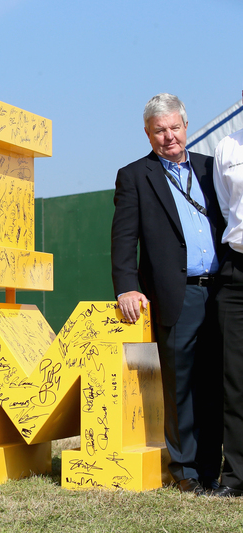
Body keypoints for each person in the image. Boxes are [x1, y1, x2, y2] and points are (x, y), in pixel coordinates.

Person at [111, 93, 223, 494]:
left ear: (186, 127)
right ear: (147, 133)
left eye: (174, 127)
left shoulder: (213, 169)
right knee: (181, 387)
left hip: (224, 292)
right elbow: (124, 239)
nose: (169, 137)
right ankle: (187, 472)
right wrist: (126, 285)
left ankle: (214, 469)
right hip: (178, 295)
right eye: (159, 130)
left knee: (217, 384)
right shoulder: (135, 175)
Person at [210, 89, 243, 497]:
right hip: (236, 270)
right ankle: (235, 477)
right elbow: (223, 207)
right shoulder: (227, 147)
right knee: (235, 380)